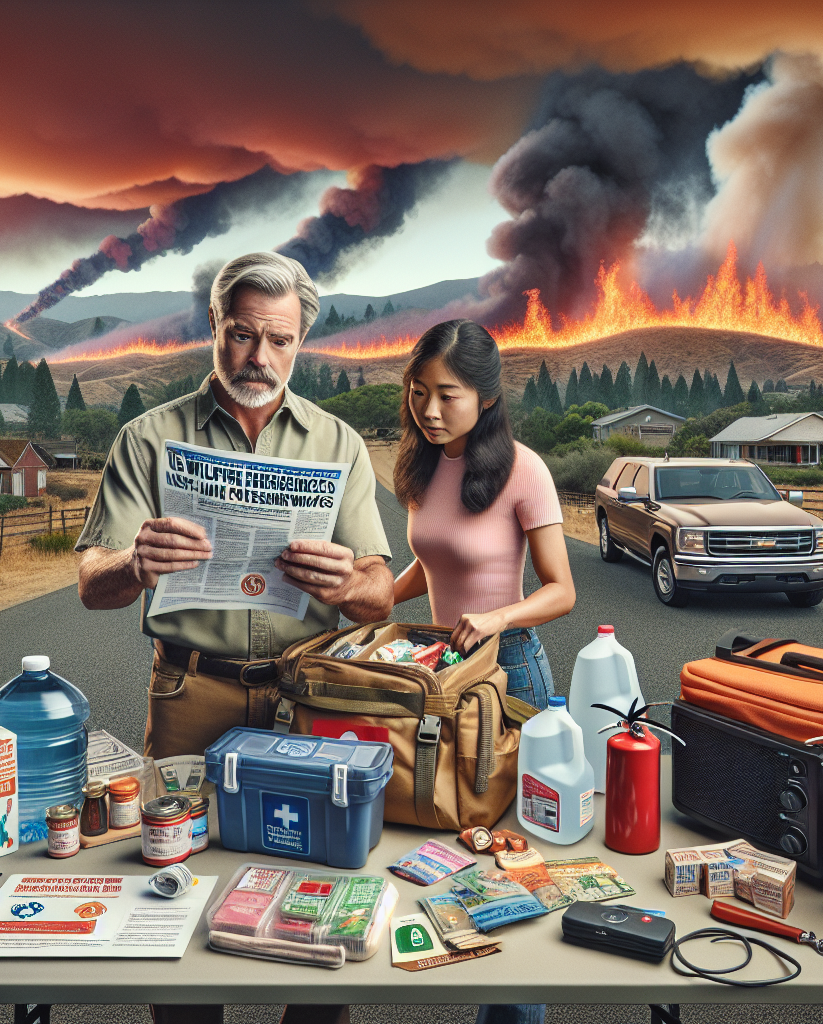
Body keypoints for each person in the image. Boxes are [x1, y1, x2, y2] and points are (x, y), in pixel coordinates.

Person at [76, 251, 393, 1024]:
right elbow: (90, 585)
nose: (260, 357)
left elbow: (380, 593)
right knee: (175, 892)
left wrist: (347, 582)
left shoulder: (339, 444)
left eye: (280, 341)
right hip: (190, 692)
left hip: (307, 698)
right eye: (243, 334)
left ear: (301, 343)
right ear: (214, 325)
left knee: (319, 886)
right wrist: (134, 562)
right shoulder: (148, 438)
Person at [393, 319, 577, 1024]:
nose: (429, 411)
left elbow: (561, 589)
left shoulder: (523, 469)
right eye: (417, 393)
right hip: (436, 675)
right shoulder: (420, 463)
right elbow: (435, 561)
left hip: (509, 677)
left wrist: (499, 617)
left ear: (487, 396)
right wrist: (377, 589)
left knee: (510, 865)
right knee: (443, 844)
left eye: (447, 395)